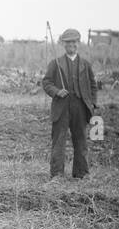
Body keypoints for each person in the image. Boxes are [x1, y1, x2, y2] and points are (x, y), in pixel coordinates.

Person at [42, 28, 98, 179]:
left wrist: (92, 104)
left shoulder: (85, 64)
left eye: (74, 41)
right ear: (63, 44)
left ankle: (81, 174)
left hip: (80, 107)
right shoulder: (55, 63)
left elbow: (93, 86)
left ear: (78, 43)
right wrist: (57, 91)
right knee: (59, 141)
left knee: (81, 141)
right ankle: (57, 175)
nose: (71, 45)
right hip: (61, 107)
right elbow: (46, 82)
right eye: (68, 42)